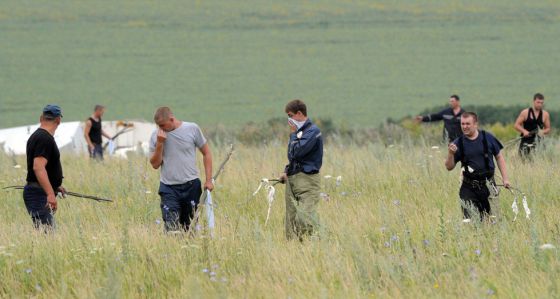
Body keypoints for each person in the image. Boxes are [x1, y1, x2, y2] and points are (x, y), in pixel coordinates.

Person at [149, 107, 213, 233]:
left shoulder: (192, 129)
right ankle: (172, 250)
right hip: (168, 188)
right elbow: (155, 164)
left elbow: (207, 153)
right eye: (158, 126)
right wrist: (160, 143)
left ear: (171, 119)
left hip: (191, 186)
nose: (160, 129)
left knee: (190, 228)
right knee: (171, 227)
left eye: (162, 125)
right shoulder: (156, 136)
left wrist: (209, 180)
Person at [445, 112, 510, 221]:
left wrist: (505, 179)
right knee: (470, 221)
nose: (464, 127)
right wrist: (450, 154)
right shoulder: (458, 143)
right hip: (468, 187)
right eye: (462, 124)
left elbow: (499, 157)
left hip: (489, 186)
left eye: (468, 124)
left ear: (475, 124)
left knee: (492, 221)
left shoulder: (487, 138)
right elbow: (449, 167)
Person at [279, 99, 323, 240]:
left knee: (303, 219)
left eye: (290, 115)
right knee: (290, 225)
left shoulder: (313, 132)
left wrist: (293, 135)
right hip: (292, 180)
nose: (289, 120)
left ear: (299, 113)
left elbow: (298, 151)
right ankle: (295, 253)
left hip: (308, 181)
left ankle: (320, 239)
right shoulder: (298, 132)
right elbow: (292, 157)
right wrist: (286, 171)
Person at [24, 104, 66, 230]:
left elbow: (43, 167)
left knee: (45, 232)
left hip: (38, 191)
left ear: (41, 118)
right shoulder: (44, 139)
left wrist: (55, 185)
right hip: (38, 193)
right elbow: (38, 167)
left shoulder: (37, 136)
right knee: (47, 234)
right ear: (58, 120)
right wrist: (50, 194)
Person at [514, 93, 551, 158]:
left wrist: (542, 132)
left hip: (539, 142)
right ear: (533, 101)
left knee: (539, 161)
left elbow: (548, 128)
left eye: (541, 103)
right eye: (538, 102)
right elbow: (516, 125)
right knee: (523, 161)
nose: (540, 104)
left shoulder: (545, 114)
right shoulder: (525, 112)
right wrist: (524, 131)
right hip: (526, 141)